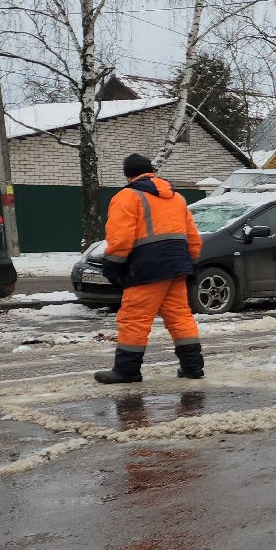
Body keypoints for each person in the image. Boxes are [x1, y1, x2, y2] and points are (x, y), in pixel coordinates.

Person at [95, 154, 204, 384]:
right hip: (177, 265)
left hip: (147, 267)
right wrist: (191, 261)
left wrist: (112, 264)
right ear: (151, 171)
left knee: (134, 317)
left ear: (128, 175)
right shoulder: (176, 198)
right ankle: (192, 367)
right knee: (180, 316)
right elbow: (192, 236)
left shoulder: (127, 197)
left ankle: (127, 371)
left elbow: (121, 237)